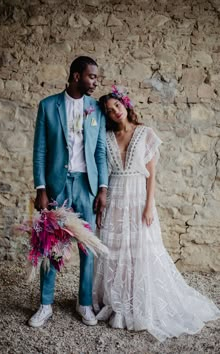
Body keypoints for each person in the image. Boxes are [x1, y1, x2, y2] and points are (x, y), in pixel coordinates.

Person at [92, 86, 220, 342]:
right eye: (109, 110)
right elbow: (101, 171)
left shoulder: (145, 133)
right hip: (115, 196)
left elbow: (152, 175)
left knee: (141, 248)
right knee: (115, 249)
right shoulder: (104, 136)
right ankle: (116, 302)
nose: (114, 112)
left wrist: (150, 205)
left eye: (116, 105)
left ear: (125, 104)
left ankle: (139, 301)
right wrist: (102, 199)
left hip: (139, 196)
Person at [28, 56, 108, 328]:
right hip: (56, 187)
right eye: (92, 76)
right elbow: (40, 151)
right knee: (51, 245)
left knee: (88, 246)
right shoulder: (48, 106)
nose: (95, 81)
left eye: (95, 77)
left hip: (86, 185)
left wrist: (102, 189)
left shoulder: (96, 109)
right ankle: (45, 304)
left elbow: (100, 153)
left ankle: (84, 302)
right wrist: (40, 188)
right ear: (76, 76)